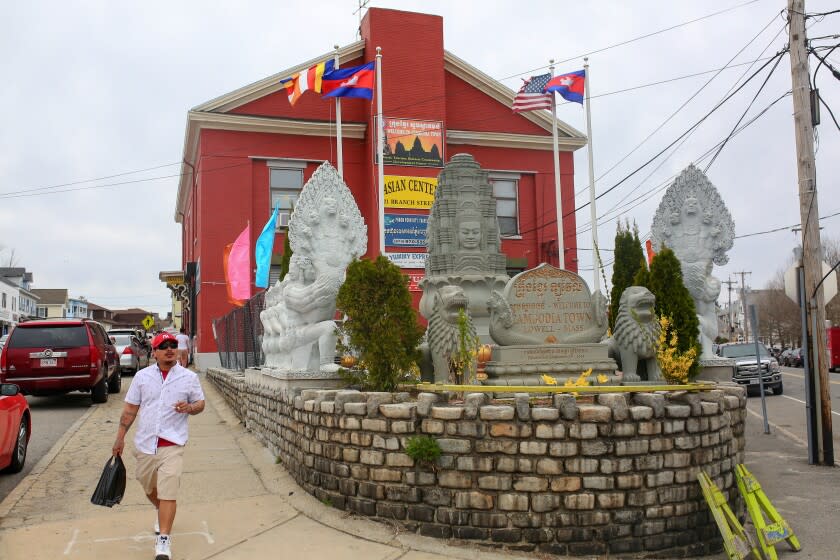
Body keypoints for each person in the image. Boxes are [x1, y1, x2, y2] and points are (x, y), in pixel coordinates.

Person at [112, 331, 205, 560]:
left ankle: (163, 540)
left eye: (173, 344)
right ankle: (160, 510)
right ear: (154, 352)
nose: (169, 349)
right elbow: (130, 410)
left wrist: (190, 408)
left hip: (173, 443)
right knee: (148, 486)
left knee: (169, 491)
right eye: (163, 346)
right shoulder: (142, 377)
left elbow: (200, 403)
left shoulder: (188, 378)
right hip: (145, 444)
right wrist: (120, 437)